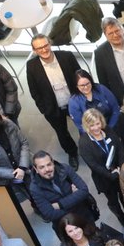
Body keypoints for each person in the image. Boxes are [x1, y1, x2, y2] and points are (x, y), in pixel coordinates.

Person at [79, 107, 124, 231]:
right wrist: (111, 174)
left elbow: (119, 148)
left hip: (119, 171)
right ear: (87, 126)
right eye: (92, 125)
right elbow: (93, 165)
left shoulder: (108, 130)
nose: (96, 128)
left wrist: (121, 167)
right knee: (114, 201)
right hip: (104, 178)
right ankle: (122, 219)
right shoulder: (84, 142)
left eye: (98, 123)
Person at [25, 35, 80, 165]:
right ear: (34, 50)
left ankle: (93, 148)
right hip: (53, 107)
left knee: (84, 125)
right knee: (62, 133)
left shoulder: (67, 57)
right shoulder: (32, 66)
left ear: (50, 44)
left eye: (45, 45)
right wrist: (44, 109)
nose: (44, 50)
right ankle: (72, 153)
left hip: (74, 102)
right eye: (39, 48)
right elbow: (34, 90)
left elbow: (80, 76)